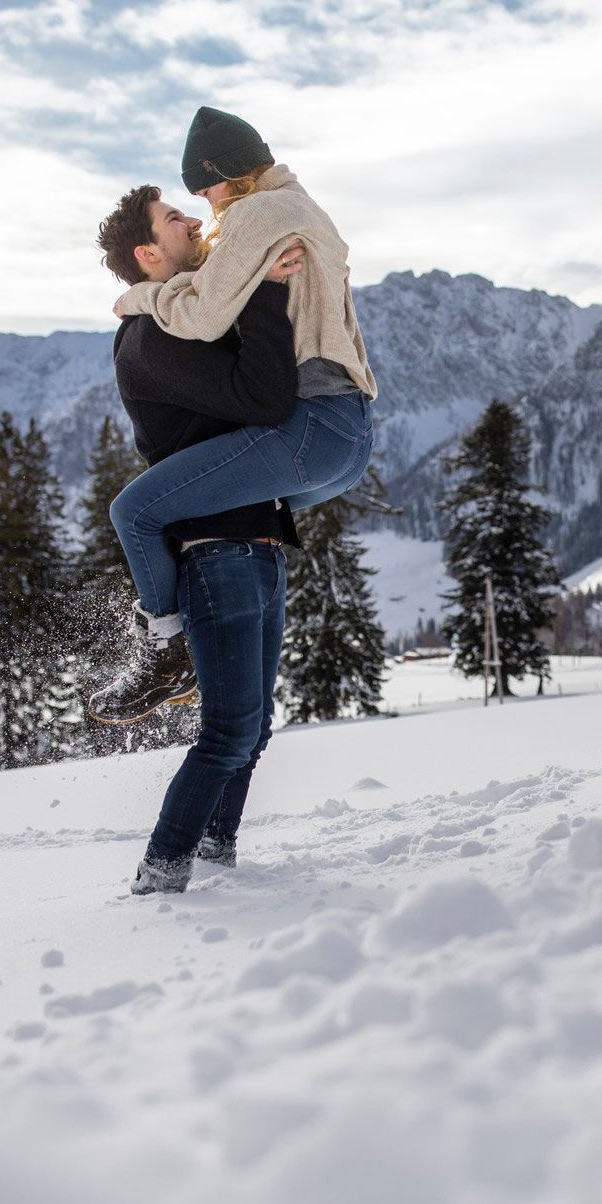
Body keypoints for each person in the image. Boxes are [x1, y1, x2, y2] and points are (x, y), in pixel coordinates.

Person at [91, 106, 379, 725]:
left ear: (224, 174)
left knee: (134, 510)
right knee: (189, 507)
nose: (204, 207)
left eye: (202, 188)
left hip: (314, 429)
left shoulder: (255, 215)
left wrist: (139, 298)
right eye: (184, 206)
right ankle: (178, 644)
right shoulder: (297, 204)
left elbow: (203, 315)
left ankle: (168, 647)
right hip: (347, 437)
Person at [93, 186, 305, 893]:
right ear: (148, 254)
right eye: (174, 218)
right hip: (218, 555)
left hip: (256, 547)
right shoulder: (152, 338)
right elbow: (262, 398)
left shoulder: (188, 316)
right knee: (227, 732)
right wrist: (270, 296)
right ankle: (161, 875)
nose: (192, 218)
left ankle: (217, 860)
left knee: (255, 729)